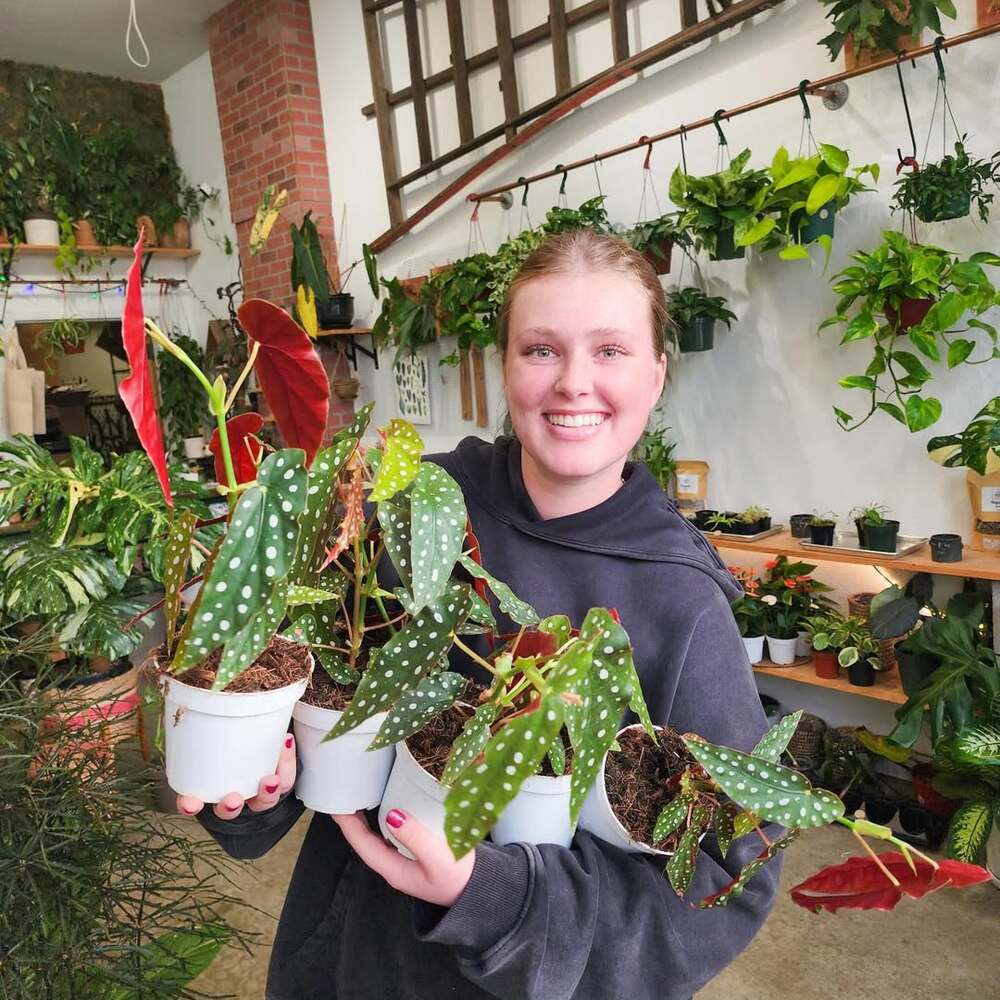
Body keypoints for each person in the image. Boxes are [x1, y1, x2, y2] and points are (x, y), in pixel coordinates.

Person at [185, 230, 780, 999]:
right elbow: (299, 703)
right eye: (541, 349)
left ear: (657, 374)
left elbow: (722, 888)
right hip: (351, 967)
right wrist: (252, 784)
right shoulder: (412, 511)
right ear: (503, 365)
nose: (573, 383)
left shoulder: (681, 601)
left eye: (610, 351)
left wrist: (493, 895)